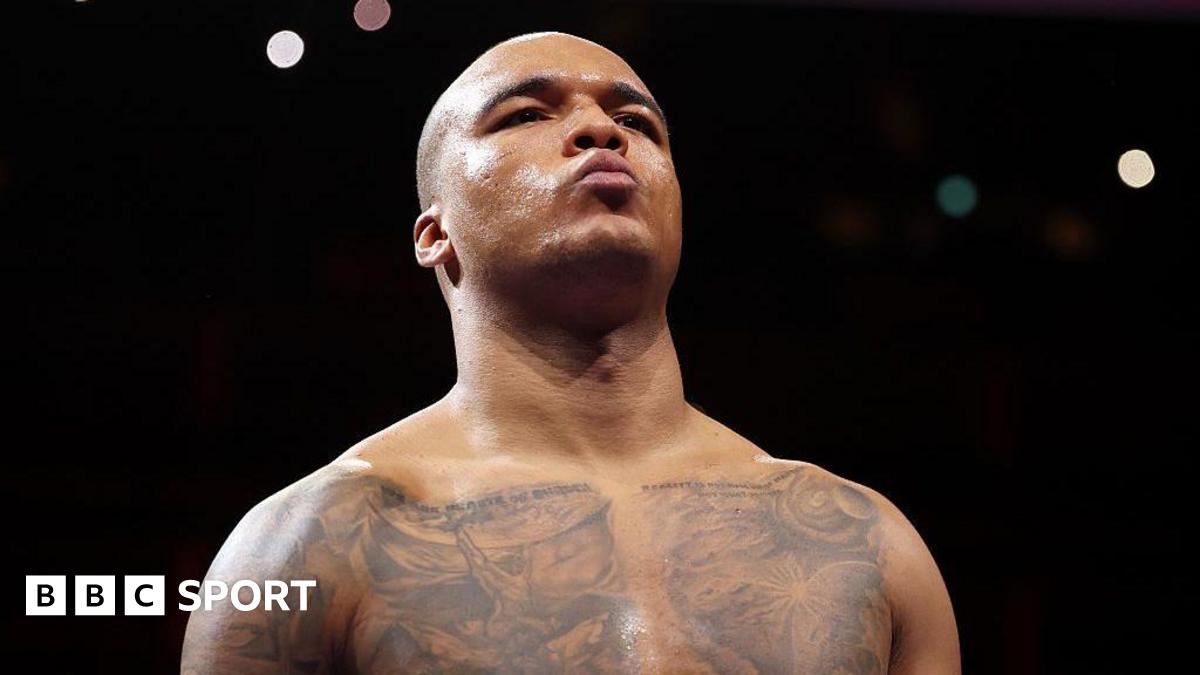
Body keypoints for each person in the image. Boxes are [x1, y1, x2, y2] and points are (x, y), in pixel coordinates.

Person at [181, 31, 960, 674]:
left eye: (640, 122)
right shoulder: (307, 543)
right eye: (525, 114)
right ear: (434, 231)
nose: (602, 130)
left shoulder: (867, 542)